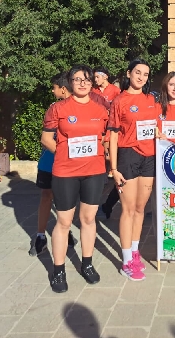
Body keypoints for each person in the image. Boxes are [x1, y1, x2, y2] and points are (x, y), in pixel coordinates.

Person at [41, 65, 109, 293]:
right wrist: (64, 153)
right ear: (70, 82)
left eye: (87, 79)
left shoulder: (101, 109)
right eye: (78, 79)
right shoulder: (58, 108)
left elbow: (106, 138)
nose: (82, 83)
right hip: (66, 172)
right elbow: (46, 139)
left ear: (92, 83)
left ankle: (87, 264)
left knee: (88, 219)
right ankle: (58, 270)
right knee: (64, 222)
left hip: (94, 171)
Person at [104, 58, 159, 281]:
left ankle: (135, 252)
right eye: (138, 72)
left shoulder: (151, 100)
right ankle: (126, 260)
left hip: (149, 158)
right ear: (128, 74)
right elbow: (113, 135)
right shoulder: (120, 101)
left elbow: (156, 127)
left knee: (140, 208)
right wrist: (113, 168)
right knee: (127, 209)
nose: (141, 77)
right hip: (128, 157)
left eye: (145, 74)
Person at [29, 72, 77, 257]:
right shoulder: (53, 109)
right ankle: (41, 236)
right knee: (46, 196)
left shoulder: (80, 108)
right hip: (49, 163)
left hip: (69, 165)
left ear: (63, 89)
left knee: (67, 200)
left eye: (54, 87)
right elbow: (46, 139)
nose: (52, 90)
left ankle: (66, 230)